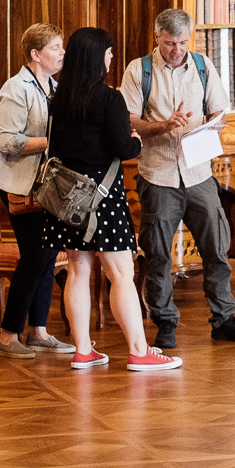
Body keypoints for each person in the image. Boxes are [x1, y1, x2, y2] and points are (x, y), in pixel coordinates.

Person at [40, 26, 181, 372]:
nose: (111, 57)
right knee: (121, 273)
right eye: (108, 52)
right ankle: (138, 350)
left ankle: (83, 350)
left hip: (70, 200)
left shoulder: (59, 99)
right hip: (104, 200)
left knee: (78, 269)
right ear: (96, 58)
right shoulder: (109, 99)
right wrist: (134, 138)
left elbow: (55, 148)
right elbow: (124, 148)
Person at [122, 9, 235, 347]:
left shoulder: (201, 65)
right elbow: (129, 120)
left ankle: (224, 318)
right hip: (159, 175)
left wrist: (213, 124)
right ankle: (165, 323)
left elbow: (219, 111)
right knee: (157, 255)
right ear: (157, 37)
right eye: (171, 43)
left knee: (217, 247)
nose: (178, 50)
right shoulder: (138, 70)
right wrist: (163, 126)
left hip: (199, 172)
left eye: (184, 42)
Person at [0, 23, 73, 358]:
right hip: (22, 187)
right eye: (56, 48)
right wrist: (52, 142)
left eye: (62, 47)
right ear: (36, 54)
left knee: (48, 258)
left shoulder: (54, 87)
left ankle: (38, 330)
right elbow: (7, 142)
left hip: (49, 187)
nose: (62, 54)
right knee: (34, 258)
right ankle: (9, 334)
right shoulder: (16, 88)